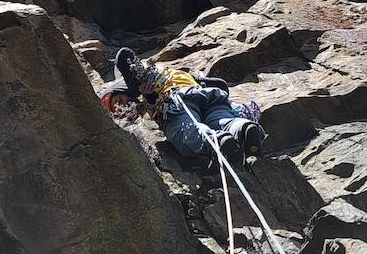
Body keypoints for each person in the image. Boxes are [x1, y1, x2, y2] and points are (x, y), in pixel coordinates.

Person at [113, 48, 266, 167]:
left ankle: (214, 140)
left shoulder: (141, 84)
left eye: (119, 100)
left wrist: (146, 94)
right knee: (222, 120)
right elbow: (219, 84)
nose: (120, 106)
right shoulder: (172, 72)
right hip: (209, 94)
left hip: (178, 101)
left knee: (185, 132)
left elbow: (124, 58)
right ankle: (243, 129)